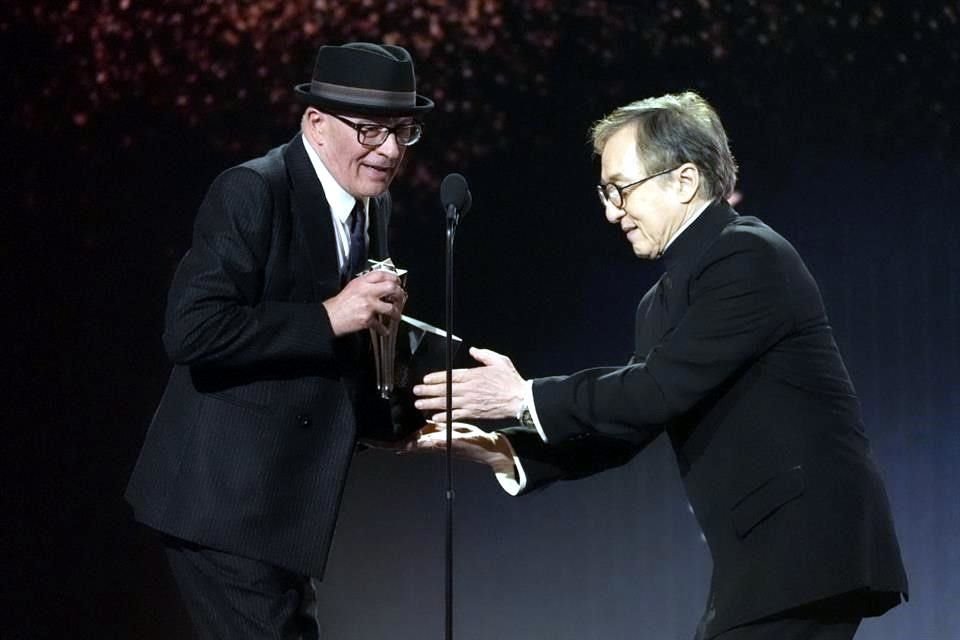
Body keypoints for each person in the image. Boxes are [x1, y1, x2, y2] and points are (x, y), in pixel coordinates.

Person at [410, 92, 908, 639]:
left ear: (684, 180)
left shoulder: (748, 256)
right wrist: (502, 449)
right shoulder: (662, 300)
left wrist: (521, 396)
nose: (610, 211)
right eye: (605, 192)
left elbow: (655, 389)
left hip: (807, 549)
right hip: (763, 565)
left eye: (621, 189)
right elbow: (628, 423)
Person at [125, 42, 431, 639]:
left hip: (286, 505)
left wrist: (397, 409)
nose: (390, 151)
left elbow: (343, 338)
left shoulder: (373, 204)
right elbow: (192, 329)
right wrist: (327, 316)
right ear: (316, 124)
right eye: (371, 131)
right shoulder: (252, 191)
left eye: (403, 131)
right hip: (222, 500)